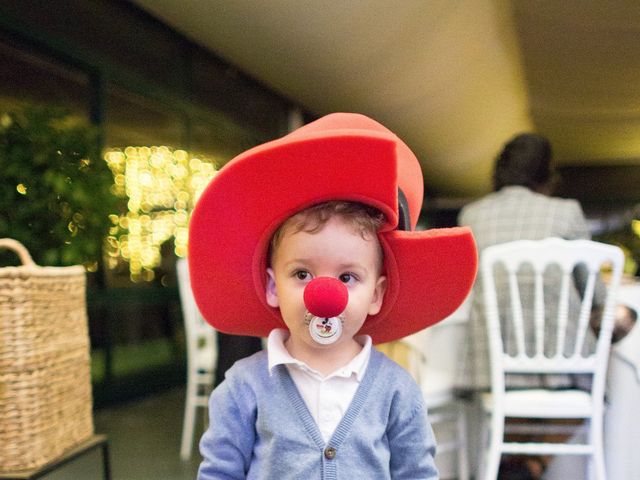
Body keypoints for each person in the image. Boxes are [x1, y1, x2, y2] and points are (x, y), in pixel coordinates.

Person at [187, 113, 477, 479]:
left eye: (347, 277)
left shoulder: (397, 390)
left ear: (377, 294)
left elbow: (417, 474)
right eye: (302, 274)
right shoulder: (243, 387)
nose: (324, 295)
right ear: (273, 287)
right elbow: (218, 474)